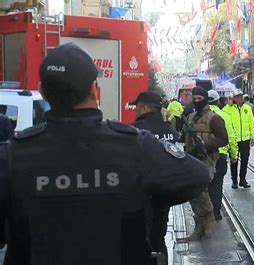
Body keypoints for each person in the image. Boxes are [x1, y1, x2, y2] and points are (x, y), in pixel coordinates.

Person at [0, 43, 210, 265]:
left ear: (42, 91)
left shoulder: (12, 156)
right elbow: (197, 176)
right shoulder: (134, 146)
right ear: (94, 89)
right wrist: (143, 195)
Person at [130, 91, 179, 263]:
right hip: (164, 193)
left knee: (142, 241)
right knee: (159, 238)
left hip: (142, 195)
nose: (135, 110)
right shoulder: (170, 131)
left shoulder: (137, 130)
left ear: (143, 107)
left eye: (137, 106)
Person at [183, 86, 228, 240]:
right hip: (191, 158)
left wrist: (205, 146)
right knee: (193, 192)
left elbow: (223, 139)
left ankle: (207, 223)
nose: (196, 101)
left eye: (199, 99)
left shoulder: (214, 118)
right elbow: (183, 137)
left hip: (208, 160)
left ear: (205, 99)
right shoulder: (190, 117)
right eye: (194, 99)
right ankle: (201, 223)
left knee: (201, 191)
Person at [207, 90, 238, 220]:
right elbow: (231, 137)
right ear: (218, 101)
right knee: (218, 184)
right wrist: (234, 155)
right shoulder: (224, 115)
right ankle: (216, 212)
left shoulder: (201, 116)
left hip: (206, 155)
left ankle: (206, 212)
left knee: (206, 184)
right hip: (221, 154)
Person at [223, 89, 254, 189]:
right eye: (237, 96)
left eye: (241, 96)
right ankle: (234, 181)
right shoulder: (228, 109)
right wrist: (228, 105)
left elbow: (251, 122)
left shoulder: (247, 108)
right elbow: (222, 116)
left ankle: (243, 179)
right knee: (234, 160)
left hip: (245, 139)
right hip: (234, 140)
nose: (240, 98)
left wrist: (253, 136)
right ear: (233, 98)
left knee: (245, 160)